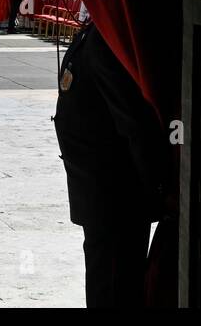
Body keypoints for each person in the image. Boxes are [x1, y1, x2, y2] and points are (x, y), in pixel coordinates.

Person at [52, 21, 167, 306]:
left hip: (114, 196)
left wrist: (158, 187)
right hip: (96, 193)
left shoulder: (105, 43)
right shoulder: (95, 34)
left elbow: (133, 125)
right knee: (106, 282)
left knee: (115, 290)